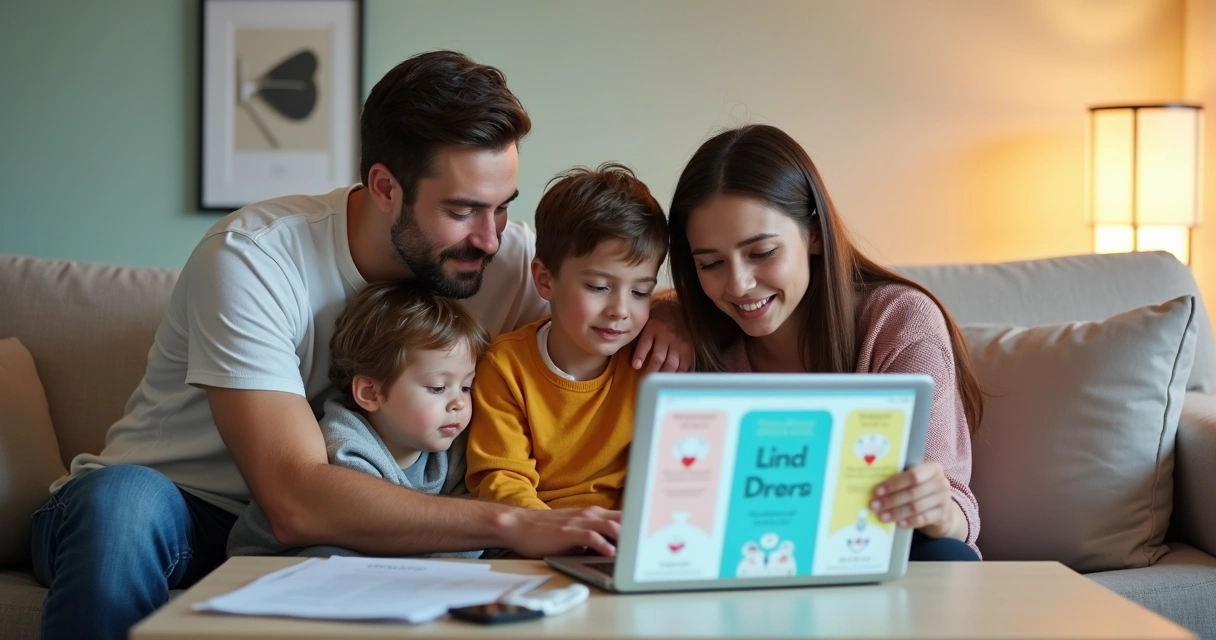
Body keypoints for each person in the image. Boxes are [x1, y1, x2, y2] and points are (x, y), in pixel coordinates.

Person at [29, 50, 691, 640]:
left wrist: (665, 318)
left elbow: (609, 289)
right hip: (176, 514)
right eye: (462, 210)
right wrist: (515, 524)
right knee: (123, 503)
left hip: (352, 530)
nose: (491, 238)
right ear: (384, 187)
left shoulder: (502, 256)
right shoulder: (253, 258)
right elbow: (292, 500)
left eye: (501, 206)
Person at [667, 124, 982, 560]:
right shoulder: (698, 338)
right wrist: (661, 312)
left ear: (814, 235)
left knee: (943, 552)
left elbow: (952, 507)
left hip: (876, 556)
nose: (738, 284)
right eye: (711, 263)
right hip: (750, 561)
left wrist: (940, 511)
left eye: (762, 253)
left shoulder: (898, 322)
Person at [227, 282, 488, 558]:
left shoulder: (454, 449)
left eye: (466, 387)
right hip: (273, 560)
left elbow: (470, 526)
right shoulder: (344, 448)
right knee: (333, 555)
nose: (459, 403)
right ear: (370, 392)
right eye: (438, 388)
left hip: (389, 559)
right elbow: (380, 534)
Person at [465, 164, 668, 510]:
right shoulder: (506, 367)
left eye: (640, 292)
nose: (620, 310)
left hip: (620, 543)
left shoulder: (649, 366)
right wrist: (557, 534)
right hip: (531, 539)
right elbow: (501, 479)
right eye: (599, 287)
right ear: (545, 280)